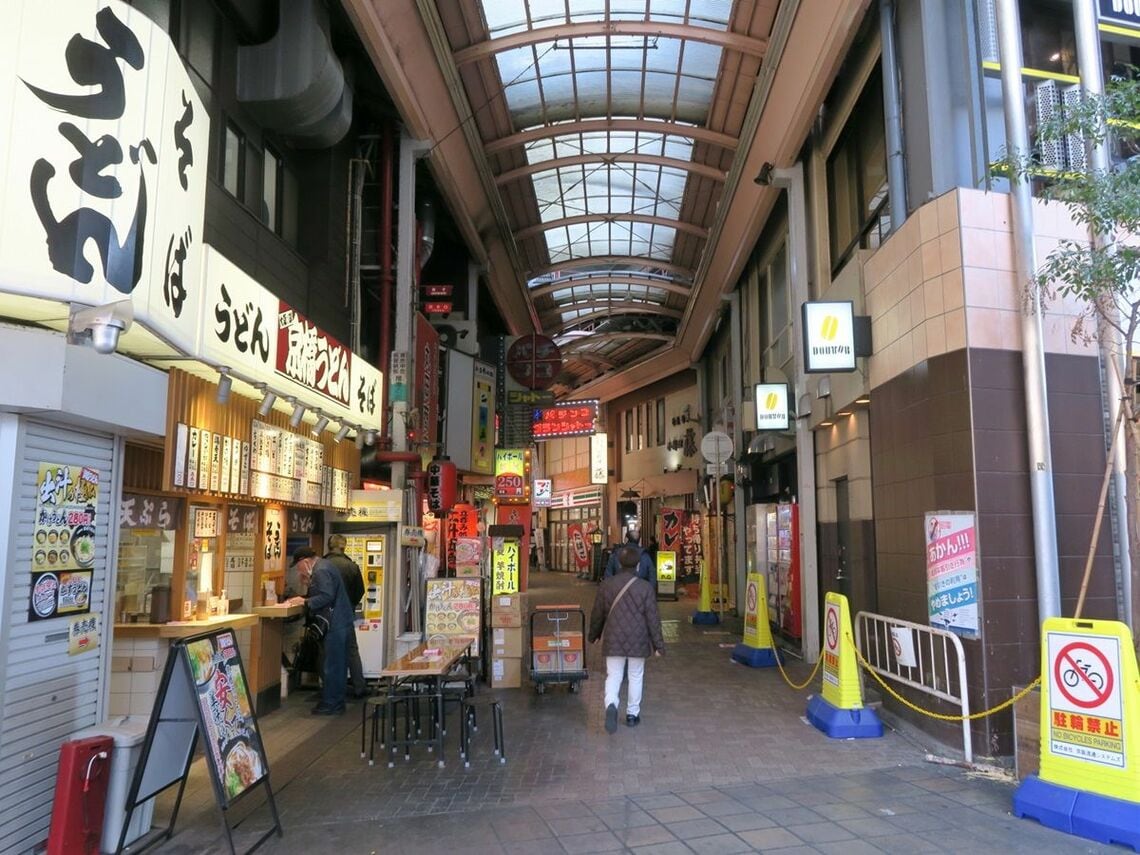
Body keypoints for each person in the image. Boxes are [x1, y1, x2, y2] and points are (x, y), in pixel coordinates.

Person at [588, 545, 665, 732]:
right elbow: (653, 619)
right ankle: (632, 715)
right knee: (635, 676)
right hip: (638, 639)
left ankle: (611, 705)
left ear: (619, 562)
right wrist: (658, 645)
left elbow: (598, 613)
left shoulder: (607, 585)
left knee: (613, 675)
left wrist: (594, 635)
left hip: (613, 637)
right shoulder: (645, 588)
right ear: (638, 565)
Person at [286, 552, 354, 715]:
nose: (299, 571)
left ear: (305, 561)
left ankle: (331, 703)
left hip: (335, 624)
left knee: (333, 665)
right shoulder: (326, 565)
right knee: (339, 664)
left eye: (299, 567)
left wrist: (305, 601)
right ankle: (336, 701)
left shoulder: (320, 570)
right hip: (342, 621)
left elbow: (326, 595)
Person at [323, 534, 368, 699]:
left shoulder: (322, 565)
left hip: (326, 616)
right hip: (346, 614)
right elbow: (360, 591)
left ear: (329, 546)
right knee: (351, 651)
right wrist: (349, 605)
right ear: (344, 547)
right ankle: (359, 686)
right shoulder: (351, 566)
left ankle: (331, 690)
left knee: (328, 652)